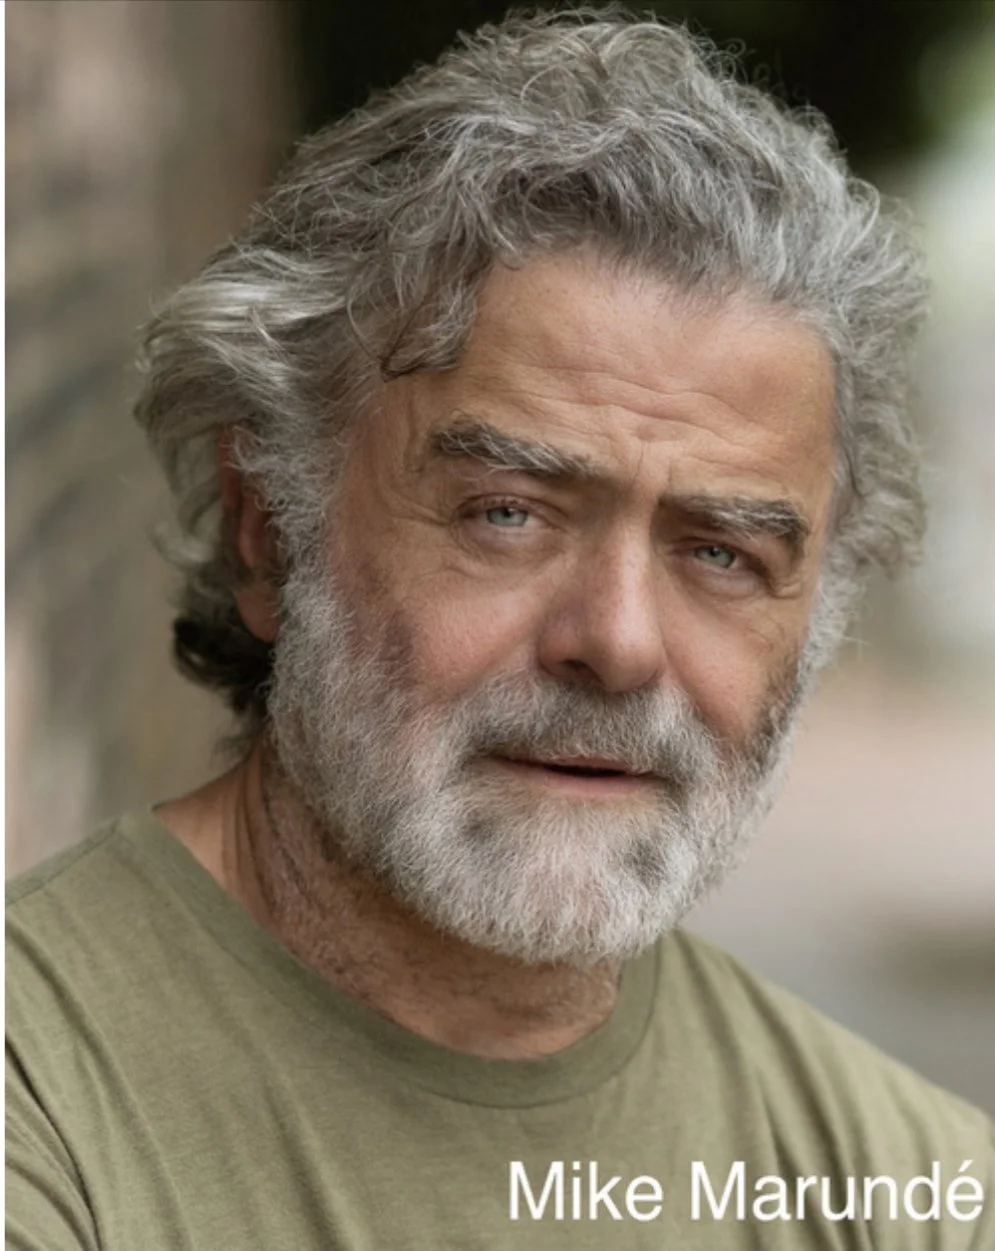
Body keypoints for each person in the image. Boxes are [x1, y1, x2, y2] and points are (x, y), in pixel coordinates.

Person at [6, 9, 993, 1249]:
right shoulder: (37, 1104)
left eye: (719, 552)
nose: (619, 644)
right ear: (269, 528)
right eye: (509, 513)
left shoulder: (908, 1188)